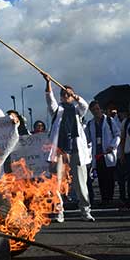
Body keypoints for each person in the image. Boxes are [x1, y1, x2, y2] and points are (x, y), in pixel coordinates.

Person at [43, 73, 94, 222]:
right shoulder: (57, 110)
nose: (66, 96)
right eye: (63, 94)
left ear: (72, 96)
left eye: (68, 94)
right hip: (59, 150)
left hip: (76, 150)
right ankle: (59, 212)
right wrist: (48, 83)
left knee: (80, 182)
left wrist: (77, 97)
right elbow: (49, 99)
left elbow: (85, 106)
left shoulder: (78, 111)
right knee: (56, 182)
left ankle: (85, 211)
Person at [85, 100, 121, 207]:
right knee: (100, 178)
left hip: (108, 153)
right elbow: (87, 139)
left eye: (97, 109)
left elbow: (117, 134)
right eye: (93, 110)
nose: (95, 111)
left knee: (109, 177)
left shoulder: (109, 121)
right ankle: (104, 199)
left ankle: (109, 198)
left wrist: (113, 145)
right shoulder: (90, 124)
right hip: (97, 154)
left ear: (101, 109)